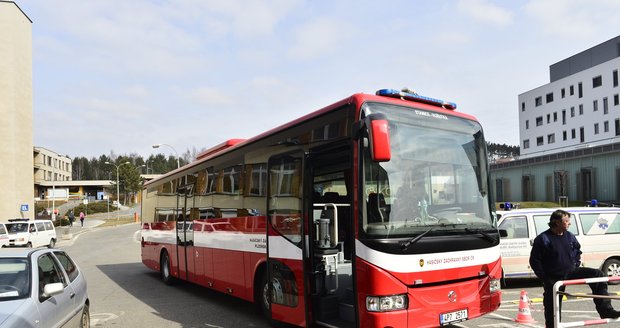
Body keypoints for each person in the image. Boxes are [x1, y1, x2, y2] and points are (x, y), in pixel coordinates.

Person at [529, 209, 620, 327]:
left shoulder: (570, 236)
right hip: (554, 277)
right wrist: (544, 277)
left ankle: (606, 311)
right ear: (557, 222)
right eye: (566, 221)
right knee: (552, 305)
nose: (569, 223)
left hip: (572, 271)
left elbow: (577, 250)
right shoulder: (543, 238)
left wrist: (576, 263)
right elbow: (535, 260)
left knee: (598, 274)